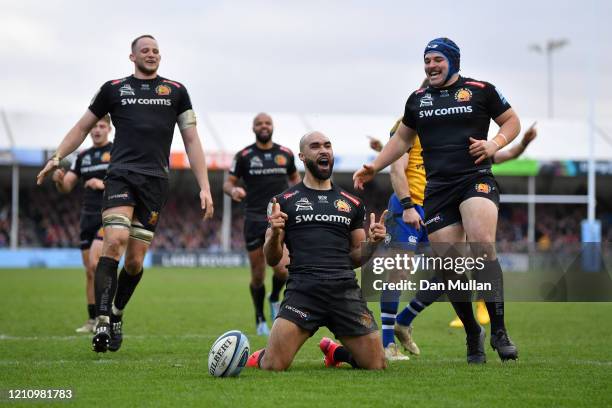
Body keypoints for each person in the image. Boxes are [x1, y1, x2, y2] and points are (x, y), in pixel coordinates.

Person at [37, 34, 214, 353]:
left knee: (134, 261)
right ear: (132, 57)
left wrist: (204, 186)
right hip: (119, 177)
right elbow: (81, 128)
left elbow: (191, 140)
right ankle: (102, 321)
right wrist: (57, 156)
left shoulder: (176, 91)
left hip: (155, 183)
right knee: (114, 240)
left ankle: (116, 312)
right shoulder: (113, 89)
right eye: (144, 50)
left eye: (156, 50)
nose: (151, 54)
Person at [354, 37, 520, 363]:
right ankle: (474, 331)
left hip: (475, 180)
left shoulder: (480, 89)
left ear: (453, 61)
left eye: (437, 60)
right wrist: (375, 165)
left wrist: (494, 144)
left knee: (483, 244)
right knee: (450, 266)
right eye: (427, 60)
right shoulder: (417, 100)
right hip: (438, 190)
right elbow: (401, 139)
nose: (431, 65)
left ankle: (499, 330)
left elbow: (511, 121)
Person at [246, 131, 387, 371]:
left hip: (344, 290)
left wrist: (372, 244)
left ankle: (336, 352)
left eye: (327, 145)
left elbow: (356, 258)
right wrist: (275, 235)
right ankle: (263, 354)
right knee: (273, 366)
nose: (323, 150)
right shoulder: (283, 201)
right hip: (303, 290)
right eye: (315, 146)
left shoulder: (352, 203)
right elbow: (272, 259)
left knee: (376, 365)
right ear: (302, 156)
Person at [223, 113, 301, 336]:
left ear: (273, 127)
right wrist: (234, 190)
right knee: (257, 275)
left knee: (283, 270)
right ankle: (259, 318)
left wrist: (299, 196)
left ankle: (275, 297)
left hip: (279, 218)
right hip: (254, 219)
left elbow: (296, 180)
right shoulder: (244, 156)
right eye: (259, 123)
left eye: (267, 123)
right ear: (253, 128)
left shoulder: (285, 154)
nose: (264, 126)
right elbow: (227, 184)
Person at [52, 115, 113, 333]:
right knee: (89, 271)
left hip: (108, 214)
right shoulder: (83, 156)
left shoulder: (116, 152)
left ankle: (105, 315)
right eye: (94, 126)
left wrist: (102, 184)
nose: (97, 130)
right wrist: (59, 180)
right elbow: (67, 186)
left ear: (109, 129)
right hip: (87, 217)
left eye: (101, 126)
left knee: (97, 265)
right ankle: (92, 319)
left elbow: (125, 182)